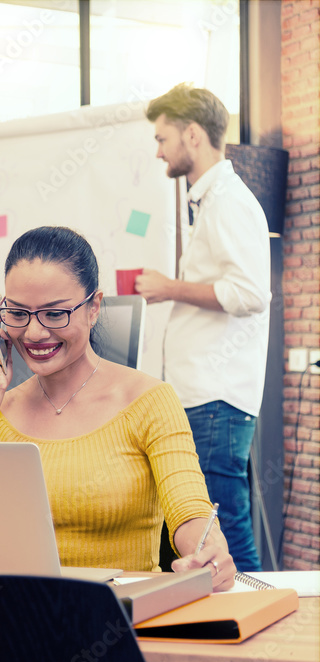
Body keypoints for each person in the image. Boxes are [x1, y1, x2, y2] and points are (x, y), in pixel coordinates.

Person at [0, 226, 235, 590]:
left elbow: (189, 506)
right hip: (17, 614)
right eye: (18, 313)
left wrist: (208, 550)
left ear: (93, 308)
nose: (33, 333)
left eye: (55, 314)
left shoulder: (148, 400)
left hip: (115, 618)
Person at [137, 83, 270, 572]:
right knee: (203, 534)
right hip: (202, 396)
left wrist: (171, 288)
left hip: (216, 400)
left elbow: (251, 293)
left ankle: (269, 637)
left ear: (192, 134)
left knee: (223, 531)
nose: (158, 151)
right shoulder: (211, 202)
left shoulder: (230, 202)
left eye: (162, 138)